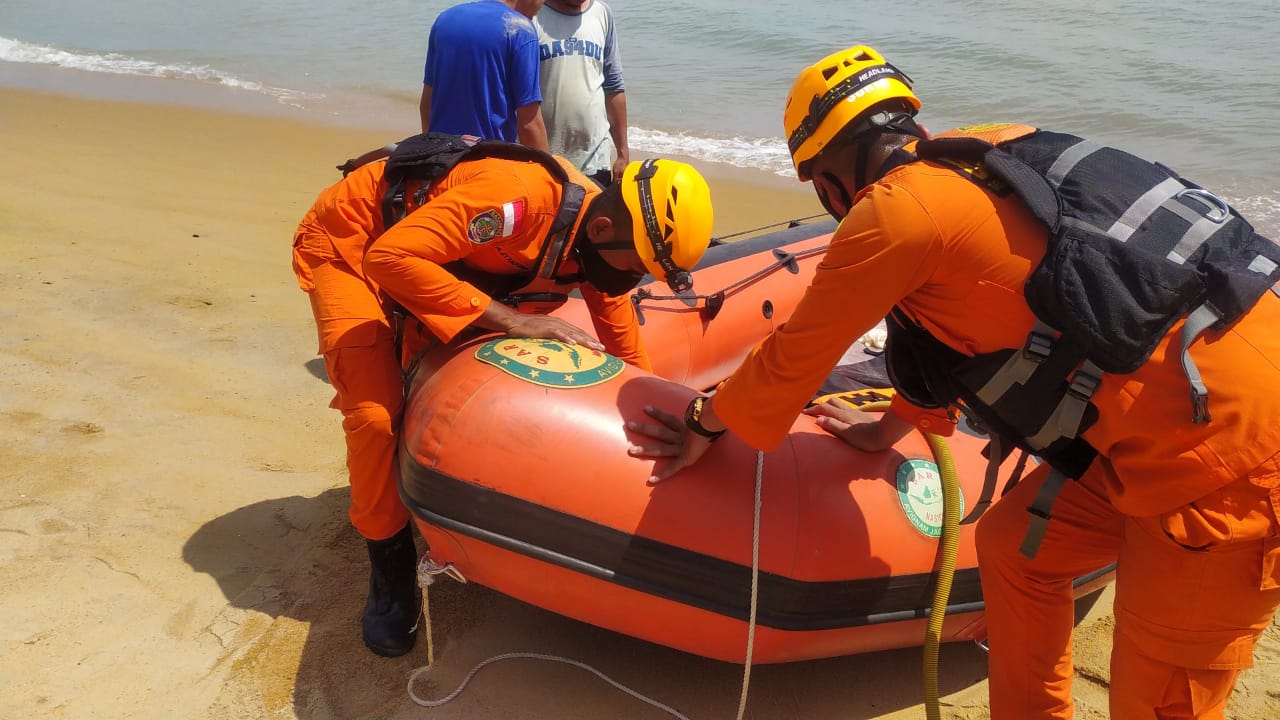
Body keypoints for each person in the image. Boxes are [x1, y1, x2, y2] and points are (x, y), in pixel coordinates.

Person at [626, 44, 1280, 719]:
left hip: (1230, 462)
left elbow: (794, 356)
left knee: (1160, 700)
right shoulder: (990, 150)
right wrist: (887, 429)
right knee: (1016, 549)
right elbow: (955, 336)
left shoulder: (896, 213)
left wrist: (703, 423)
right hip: (1195, 398)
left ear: (829, 178)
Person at [293, 138, 713, 657]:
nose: (631, 280)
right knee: (375, 412)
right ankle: (389, 565)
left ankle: (415, 488)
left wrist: (666, 411)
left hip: (432, 255)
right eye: (634, 267)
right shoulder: (519, 203)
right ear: (603, 229)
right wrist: (512, 319)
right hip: (354, 239)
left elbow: (623, 341)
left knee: (427, 364)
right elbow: (390, 257)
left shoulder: (598, 239)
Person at [419, 0, 550, 151]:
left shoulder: (444, 20)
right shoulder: (521, 30)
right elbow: (529, 123)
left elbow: (427, 105)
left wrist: (432, 153)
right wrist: (550, 171)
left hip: (441, 156)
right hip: (488, 158)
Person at [534, 0, 629, 187]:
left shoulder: (602, 14)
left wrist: (622, 153)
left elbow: (614, 87)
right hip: (546, 162)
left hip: (595, 160)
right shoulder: (533, 16)